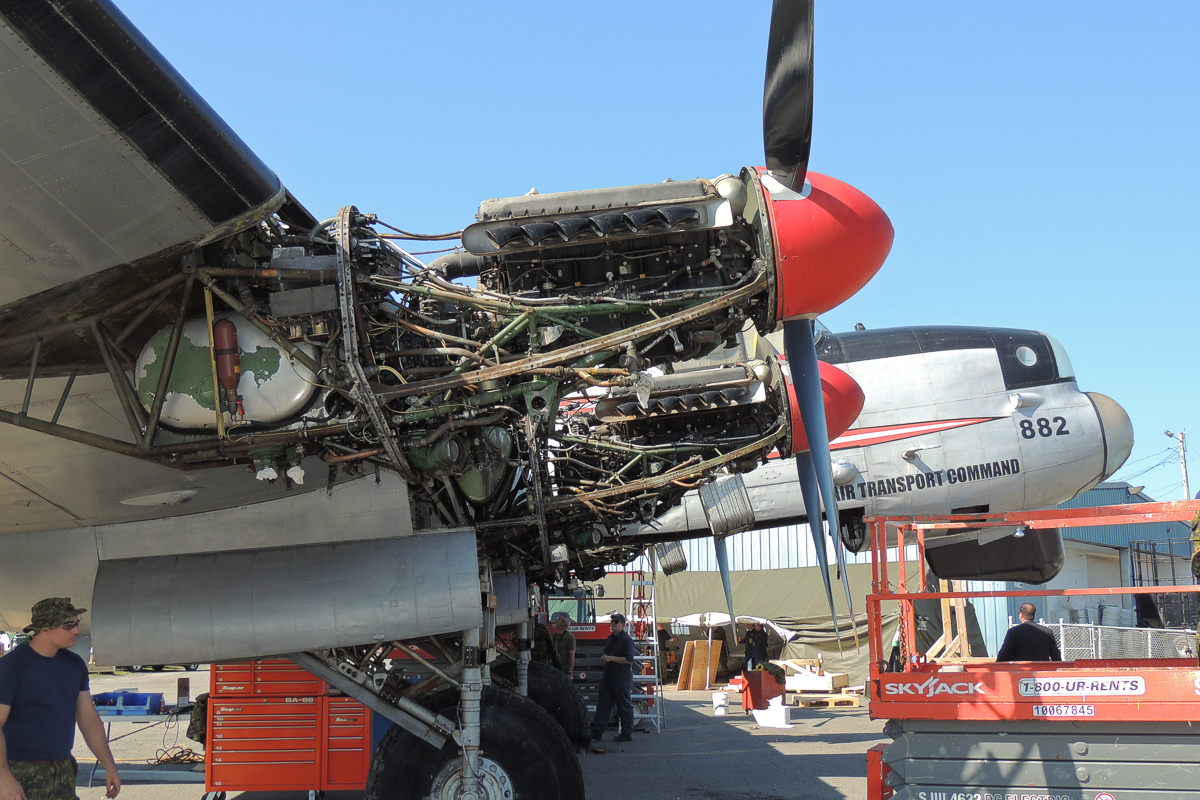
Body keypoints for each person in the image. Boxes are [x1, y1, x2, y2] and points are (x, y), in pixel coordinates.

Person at [0, 598, 121, 800]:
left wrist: (109, 766)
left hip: (62, 773)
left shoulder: (75, 665)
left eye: (76, 624)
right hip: (18, 774)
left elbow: (88, 720)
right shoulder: (11, 667)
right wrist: (3, 778)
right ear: (44, 628)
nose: (76, 631)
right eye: (68, 625)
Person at [590, 613, 635, 744]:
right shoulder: (611, 638)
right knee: (603, 705)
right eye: (612, 621)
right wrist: (606, 657)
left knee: (624, 706)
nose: (613, 624)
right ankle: (596, 732)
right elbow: (608, 651)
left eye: (616, 622)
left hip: (621, 677)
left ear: (622, 625)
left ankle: (627, 733)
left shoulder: (626, 640)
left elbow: (629, 660)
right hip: (609, 676)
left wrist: (610, 658)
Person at [996, 603, 1062, 662]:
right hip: (1041, 672)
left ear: (1021, 615)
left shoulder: (1014, 632)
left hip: (1021, 672)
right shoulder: (1047, 632)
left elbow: (1003, 656)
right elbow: (1056, 657)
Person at [550, 612, 576, 677]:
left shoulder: (569, 637)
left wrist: (570, 672)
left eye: (558, 619)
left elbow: (571, 655)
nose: (556, 620)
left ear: (563, 623)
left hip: (563, 668)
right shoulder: (553, 636)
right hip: (553, 666)